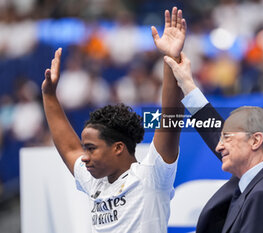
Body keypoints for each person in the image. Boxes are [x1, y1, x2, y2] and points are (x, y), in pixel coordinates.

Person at [41, 7, 186, 232]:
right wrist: (49, 96)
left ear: (118, 148)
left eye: (91, 149)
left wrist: (171, 58)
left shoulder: (151, 176)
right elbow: (69, 148)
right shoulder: (95, 181)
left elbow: (170, 117)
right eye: (85, 149)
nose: (84, 158)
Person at [163, 52, 263, 233]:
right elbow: (216, 133)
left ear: (255, 140)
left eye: (227, 137)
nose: (219, 146)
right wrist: (186, 83)